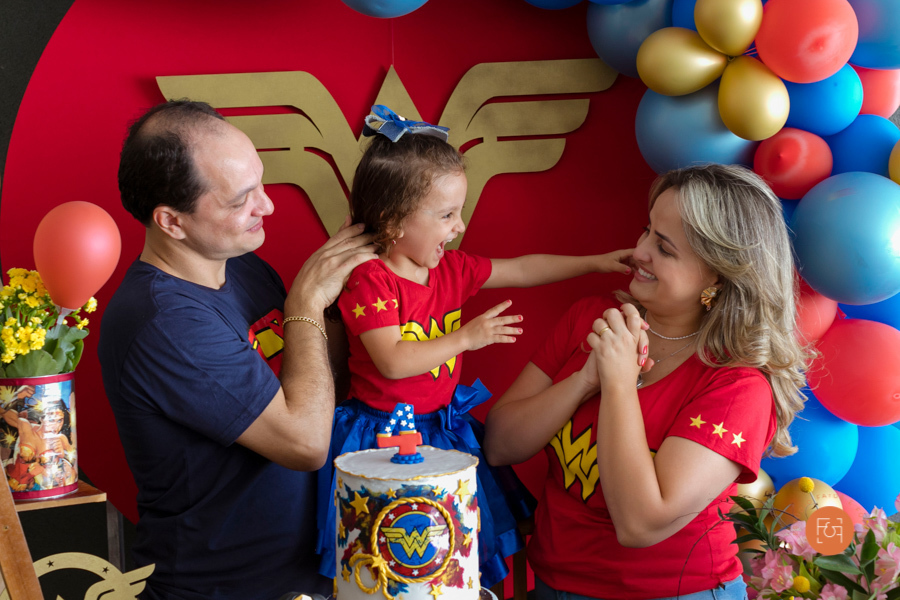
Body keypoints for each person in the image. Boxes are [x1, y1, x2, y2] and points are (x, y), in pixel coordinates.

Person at [317, 105, 635, 588]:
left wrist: (595, 261)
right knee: (388, 557)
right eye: (446, 215)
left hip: (443, 432)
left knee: (451, 555)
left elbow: (524, 268)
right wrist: (467, 337)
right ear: (391, 218)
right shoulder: (370, 280)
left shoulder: (452, 269)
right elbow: (393, 360)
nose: (459, 226)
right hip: (380, 437)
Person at [484, 164, 812, 600]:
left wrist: (618, 384)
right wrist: (585, 380)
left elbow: (641, 524)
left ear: (717, 274)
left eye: (664, 247)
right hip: (552, 584)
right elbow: (500, 444)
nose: (639, 251)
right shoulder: (592, 318)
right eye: (646, 231)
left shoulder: (739, 386)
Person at [98, 100, 376, 600]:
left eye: (261, 184)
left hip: (305, 581)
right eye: (240, 200)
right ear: (171, 221)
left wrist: (343, 294)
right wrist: (307, 301)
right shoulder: (164, 321)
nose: (267, 206)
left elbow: (325, 382)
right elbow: (306, 443)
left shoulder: (244, 266)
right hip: (220, 589)